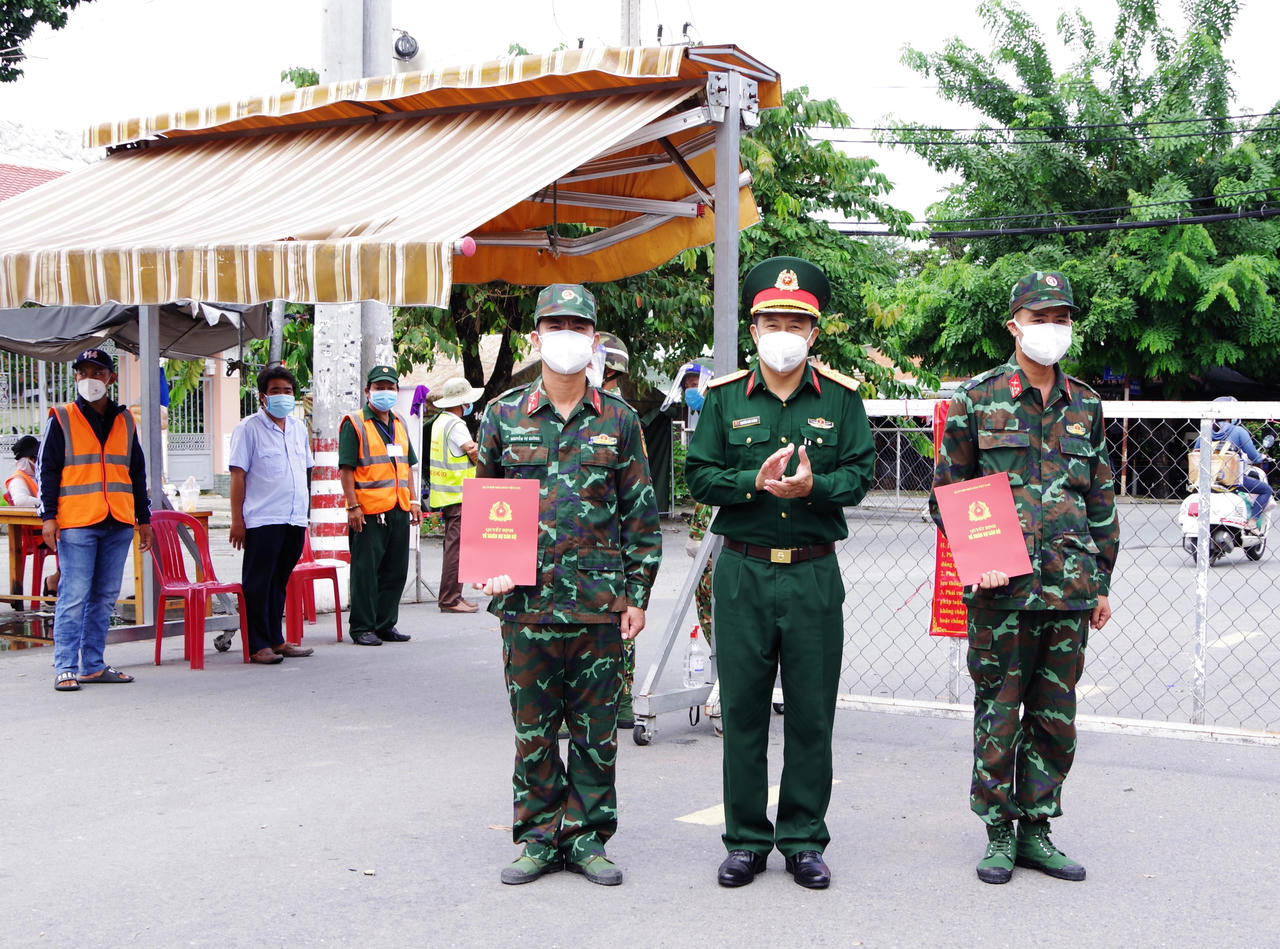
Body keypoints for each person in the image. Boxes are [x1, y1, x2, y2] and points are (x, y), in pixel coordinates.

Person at [685, 256, 875, 890]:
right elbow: (698, 475)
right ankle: (744, 840)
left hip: (814, 576)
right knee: (741, 710)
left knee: (813, 713)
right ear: (755, 327)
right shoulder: (723, 398)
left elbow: (861, 476)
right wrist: (751, 483)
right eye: (773, 319)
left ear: (814, 331)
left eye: (797, 319)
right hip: (741, 571)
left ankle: (801, 839)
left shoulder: (843, 400)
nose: (784, 329)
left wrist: (817, 487)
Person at [930, 270, 1120, 885]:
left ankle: (1038, 827)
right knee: (999, 710)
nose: (1052, 329)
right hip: (1001, 591)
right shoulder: (975, 400)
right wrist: (979, 553)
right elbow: (945, 495)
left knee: (1055, 715)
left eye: (1061, 318)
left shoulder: (1087, 405)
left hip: (1069, 590)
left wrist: (1103, 582)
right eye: (1040, 318)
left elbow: (1102, 500)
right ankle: (998, 832)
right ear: (1014, 325)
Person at [475, 284, 661, 888]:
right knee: (532, 734)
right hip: (526, 608)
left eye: (577, 327)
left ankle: (585, 839)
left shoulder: (620, 420)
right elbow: (484, 511)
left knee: (596, 734)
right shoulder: (502, 416)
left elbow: (640, 516)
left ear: (593, 341)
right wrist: (487, 570)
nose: (565, 335)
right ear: (535, 336)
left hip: (599, 609)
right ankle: (536, 838)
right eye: (554, 324)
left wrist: (638, 596)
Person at [39, 348, 153, 691]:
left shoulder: (125, 420)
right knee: (74, 595)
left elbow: (136, 471)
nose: (90, 379)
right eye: (84, 373)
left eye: (98, 373)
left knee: (104, 596)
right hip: (77, 522)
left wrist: (143, 517)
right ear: (76, 377)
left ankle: (92, 664)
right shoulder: (61, 417)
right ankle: (65, 666)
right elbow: (48, 470)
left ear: (111, 378)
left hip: (117, 520)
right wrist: (48, 516)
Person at [228, 365, 315, 664]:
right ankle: (257, 644)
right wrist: (237, 520)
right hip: (262, 518)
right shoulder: (248, 428)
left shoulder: (298, 428)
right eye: (275, 391)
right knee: (258, 582)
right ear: (263, 396)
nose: (282, 396)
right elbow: (238, 476)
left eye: (287, 391)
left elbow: (304, 471)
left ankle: (276, 640)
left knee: (279, 580)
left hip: (293, 517)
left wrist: (306, 512)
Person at [339, 365, 423, 646]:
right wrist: (352, 506)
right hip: (369, 511)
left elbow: (407, 466)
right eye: (379, 387)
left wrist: (413, 500)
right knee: (366, 571)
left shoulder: (398, 422)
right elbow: (346, 469)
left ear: (396, 391)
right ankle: (362, 626)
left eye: (390, 387)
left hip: (398, 508)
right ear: (368, 391)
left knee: (395, 570)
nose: (385, 392)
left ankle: (386, 623)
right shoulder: (355, 423)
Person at [592, 332, 640, 729]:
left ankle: (621, 703)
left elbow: (637, 494)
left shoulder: (620, 416)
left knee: (620, 625)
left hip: (612, 542)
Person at [428, 375, 484, 614]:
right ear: (462, 403)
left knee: (453, 548)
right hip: (460, 494)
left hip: (446, 494)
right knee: (457, 550)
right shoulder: (456, 425)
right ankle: (451, 598)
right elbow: (472, 451)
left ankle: (453, 595)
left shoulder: (440, 421)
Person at [1193, 395, 1274, 529]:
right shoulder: (1238, 431)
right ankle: (1252, 522)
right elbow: (1254, 457)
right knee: (1266, 490)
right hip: (1231, 481)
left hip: (1206, 481)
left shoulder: (1205, 432)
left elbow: (1195, 453)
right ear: (1231, 413)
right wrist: (1261, 457)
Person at [6, 435, 41, 507]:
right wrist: (49, 504)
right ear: (29, 459)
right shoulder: (17, 480)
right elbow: (21, 501)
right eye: (36, 457)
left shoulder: (36, 476)